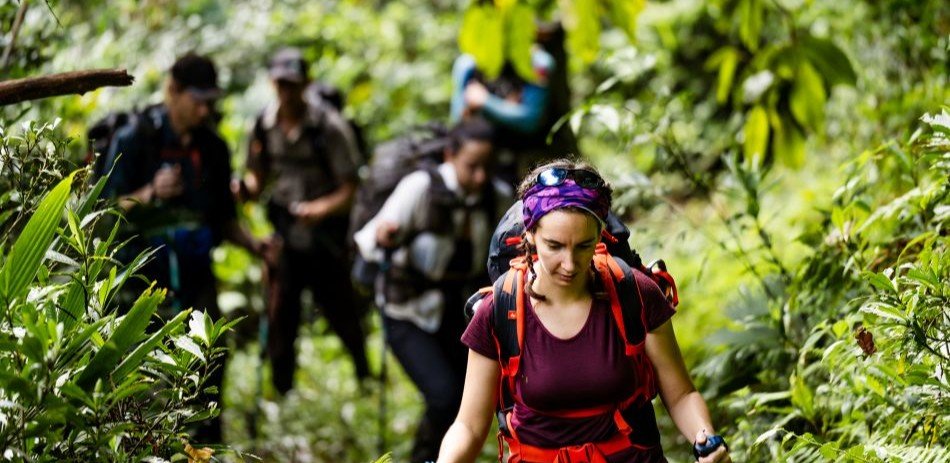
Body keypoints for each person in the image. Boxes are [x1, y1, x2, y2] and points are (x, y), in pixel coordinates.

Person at [437, 160, 732, 463]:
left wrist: (705, 438)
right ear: (530, 235)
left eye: (583, 246)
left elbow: (682, 395)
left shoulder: (635, 293)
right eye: (554, 245)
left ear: (600, 236)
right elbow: (470, 426)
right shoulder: (500, 310)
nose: (569, 263)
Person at [102, 52, 274, 443]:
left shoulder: (213, 147)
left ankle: (206, 444)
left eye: (210, 101)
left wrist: (255, 246)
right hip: (141, 284)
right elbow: (105, 212)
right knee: (142, 374)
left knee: (209, 361)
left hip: (196, 276)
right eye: (198, 100)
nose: (204, 110)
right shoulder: (136, 138)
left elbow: (223, 217)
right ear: (173, 91)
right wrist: (149, 193)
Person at [354, 118, 512, 462]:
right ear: (449, 155)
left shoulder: (495, 198)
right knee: (443, 395)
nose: (480, 177)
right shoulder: (419, 187)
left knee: (462, 400)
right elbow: (367, 240)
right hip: (406, 309)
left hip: (457, 313)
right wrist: (384, 235)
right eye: (472, 166)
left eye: (487, 167)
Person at [235, 47, 370, 394]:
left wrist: (319, 210)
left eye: (292, 85)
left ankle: (363, 375)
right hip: (286, 237)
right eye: (280, 84)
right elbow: (257, 177)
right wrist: (243, 190)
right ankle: (281, 390)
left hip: (325, 239)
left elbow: (351, 189)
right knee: (281, 317)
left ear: (306, 84)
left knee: (340, 311)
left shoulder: (328, 127)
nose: (286, 92)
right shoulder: (263, 126)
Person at [450, 22, 578, 187]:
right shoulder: (469, 65)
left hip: (534, 159)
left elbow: (530, 119)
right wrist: (506, 108)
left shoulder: (538, 63)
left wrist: (485, 102)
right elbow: (460, 121)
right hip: (490, 158)